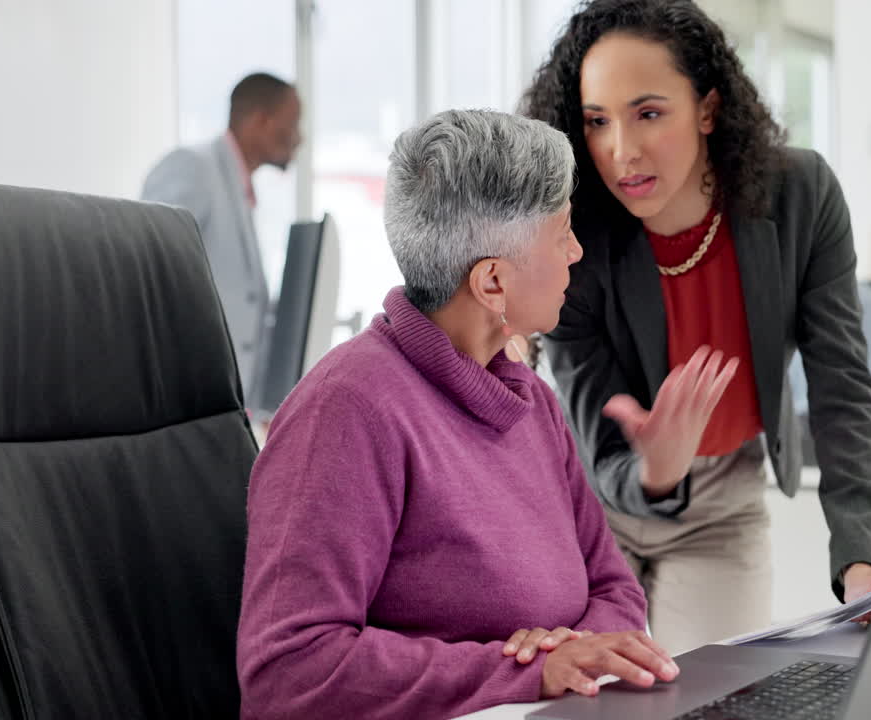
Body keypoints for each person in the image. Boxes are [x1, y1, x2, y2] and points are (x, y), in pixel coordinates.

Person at [236, 109, 689, 720]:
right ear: (493, 283)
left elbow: (613, 586)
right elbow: (290, 670)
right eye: (562, 234)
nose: (577, 252)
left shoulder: (531, 402)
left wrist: (572, 652)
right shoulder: (346, 411)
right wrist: (519, 671)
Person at [521, 0, 871, 654]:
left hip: (721, 509)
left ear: (708, 109)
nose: (621, 151)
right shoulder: (570, 234)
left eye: (649, 113)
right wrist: (657, 469)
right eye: (597, 122)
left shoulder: (800, 195)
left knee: (721, 698)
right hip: (588, 508)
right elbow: (602, 445)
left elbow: (842, 388)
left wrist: (861, 556)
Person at [141, 72, 302, 400]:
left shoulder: (236, 184)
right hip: (186, 393)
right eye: (293, 123)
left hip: (226, 397)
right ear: (261, 121)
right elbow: (149, 268)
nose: (298, 138)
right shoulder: (193, 167)